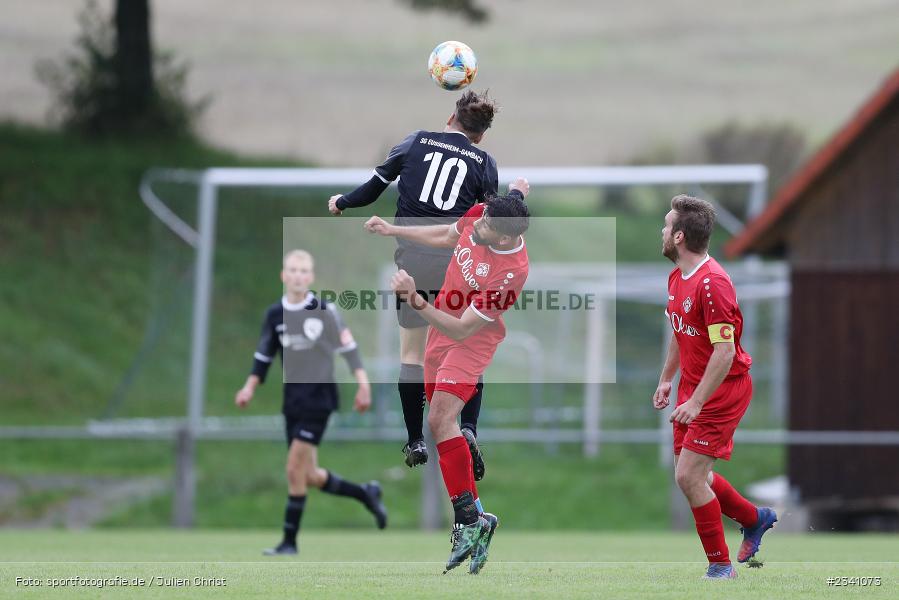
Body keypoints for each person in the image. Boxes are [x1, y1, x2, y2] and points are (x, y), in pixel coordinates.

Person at [328, 90, 503, 478]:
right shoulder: (484, 162)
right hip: (457, 267)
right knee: (466, 349)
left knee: (412, 354)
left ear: (450, 117)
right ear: (481, 134)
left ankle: (414, 438)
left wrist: (343, 201)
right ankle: (469, 428)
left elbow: (373, 187)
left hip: (413, 263)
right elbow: (489, 221)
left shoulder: (415, 141)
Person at [364, 183, 530, 574]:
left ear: (506, 236)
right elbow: (447, 234)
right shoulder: (483, 218)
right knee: (443, 427)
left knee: (439, 419)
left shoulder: (513, 272)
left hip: (471, 339)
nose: (478, 224)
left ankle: (467, 520)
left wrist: (414, 299)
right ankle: (478, 519)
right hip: (441, 328)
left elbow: (462, 330)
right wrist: (394, 230)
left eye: (487, 224)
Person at [653, 195, 777, 579]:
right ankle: (755, 518)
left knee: (688, 477)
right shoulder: (678, 277)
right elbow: (680, 330)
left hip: (722, 391)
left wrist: (697, 402)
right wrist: (667, 378)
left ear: (678, 237)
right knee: (697, 476)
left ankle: (720, 567)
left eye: (665, 225)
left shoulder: (714, 284)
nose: (660, 230)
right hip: (692, 387)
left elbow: (724, 353)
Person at [235, 249, 387, 556]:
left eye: (304, 271)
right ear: (283, 275)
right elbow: (263, 356)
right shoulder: (274, 315)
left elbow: (349, 348)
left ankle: (289, 543)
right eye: (292, 270)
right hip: (293, 402)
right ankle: (366, 494)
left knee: (293, 468)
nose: (298, 275)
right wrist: (249, 387)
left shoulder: (324, 310)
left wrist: (363, 384)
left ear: (311, 277)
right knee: (309, 475)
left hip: (320, 400)